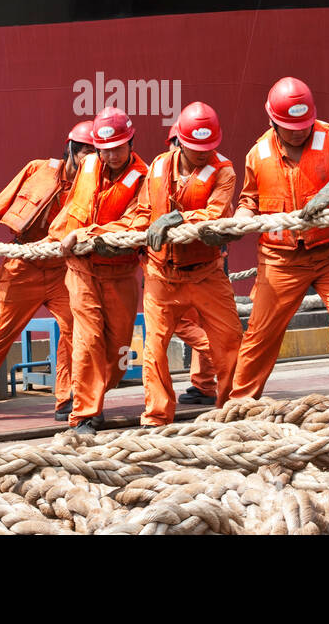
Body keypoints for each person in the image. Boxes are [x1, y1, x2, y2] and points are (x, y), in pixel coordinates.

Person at [101, 102, 243, 426]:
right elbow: (143, 212)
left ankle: (235, 412)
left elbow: (216, 215)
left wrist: (179, 217)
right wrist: (106, 234)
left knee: (231, 339)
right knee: (154, 349)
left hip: (206, 273)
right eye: (196, 148)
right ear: (181, 141)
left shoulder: (224, 171)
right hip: (160, 275)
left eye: (209, 147)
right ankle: (156, 417)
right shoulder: (159, 167)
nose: (203, 154)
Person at [229, 77, 329, 399]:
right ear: (272, 121)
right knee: (260, 335)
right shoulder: (257, 154)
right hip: (280, 259)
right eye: (291, 126)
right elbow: (249, 200)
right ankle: (239, 407)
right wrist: (240, 221)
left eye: (304, 124)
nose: (300, 131)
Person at [0, 122, 96, 425]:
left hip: (62, 267)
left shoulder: (94, 184)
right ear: (71, 148)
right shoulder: (37, 169)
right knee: (0, 331)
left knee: (74, 328)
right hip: (23, 264)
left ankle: (67, 398)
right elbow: (3, 201)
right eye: (84, 150)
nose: (88, 157)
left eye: (94, 152)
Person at [49, 107, 148, 434]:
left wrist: (88, 234)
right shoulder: (88, 164)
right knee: (88, 339)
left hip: (119, 273)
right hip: (81, 270)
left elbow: (137, 222)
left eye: (117, 148)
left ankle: (92, 390)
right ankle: (85, 414)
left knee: (119, 349)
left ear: (131, 142)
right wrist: (59, 234)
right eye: (104, 149)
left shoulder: (144, 176)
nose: (110, 156)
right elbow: (73, 207)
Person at [164, 121, 220, 406]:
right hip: (175, 259)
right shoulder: (165, 173)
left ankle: (213, 359)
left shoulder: (217, 175)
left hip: (200, 261)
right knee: (198, 321)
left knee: (183, 322)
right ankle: (204, 384)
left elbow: (221, 213)